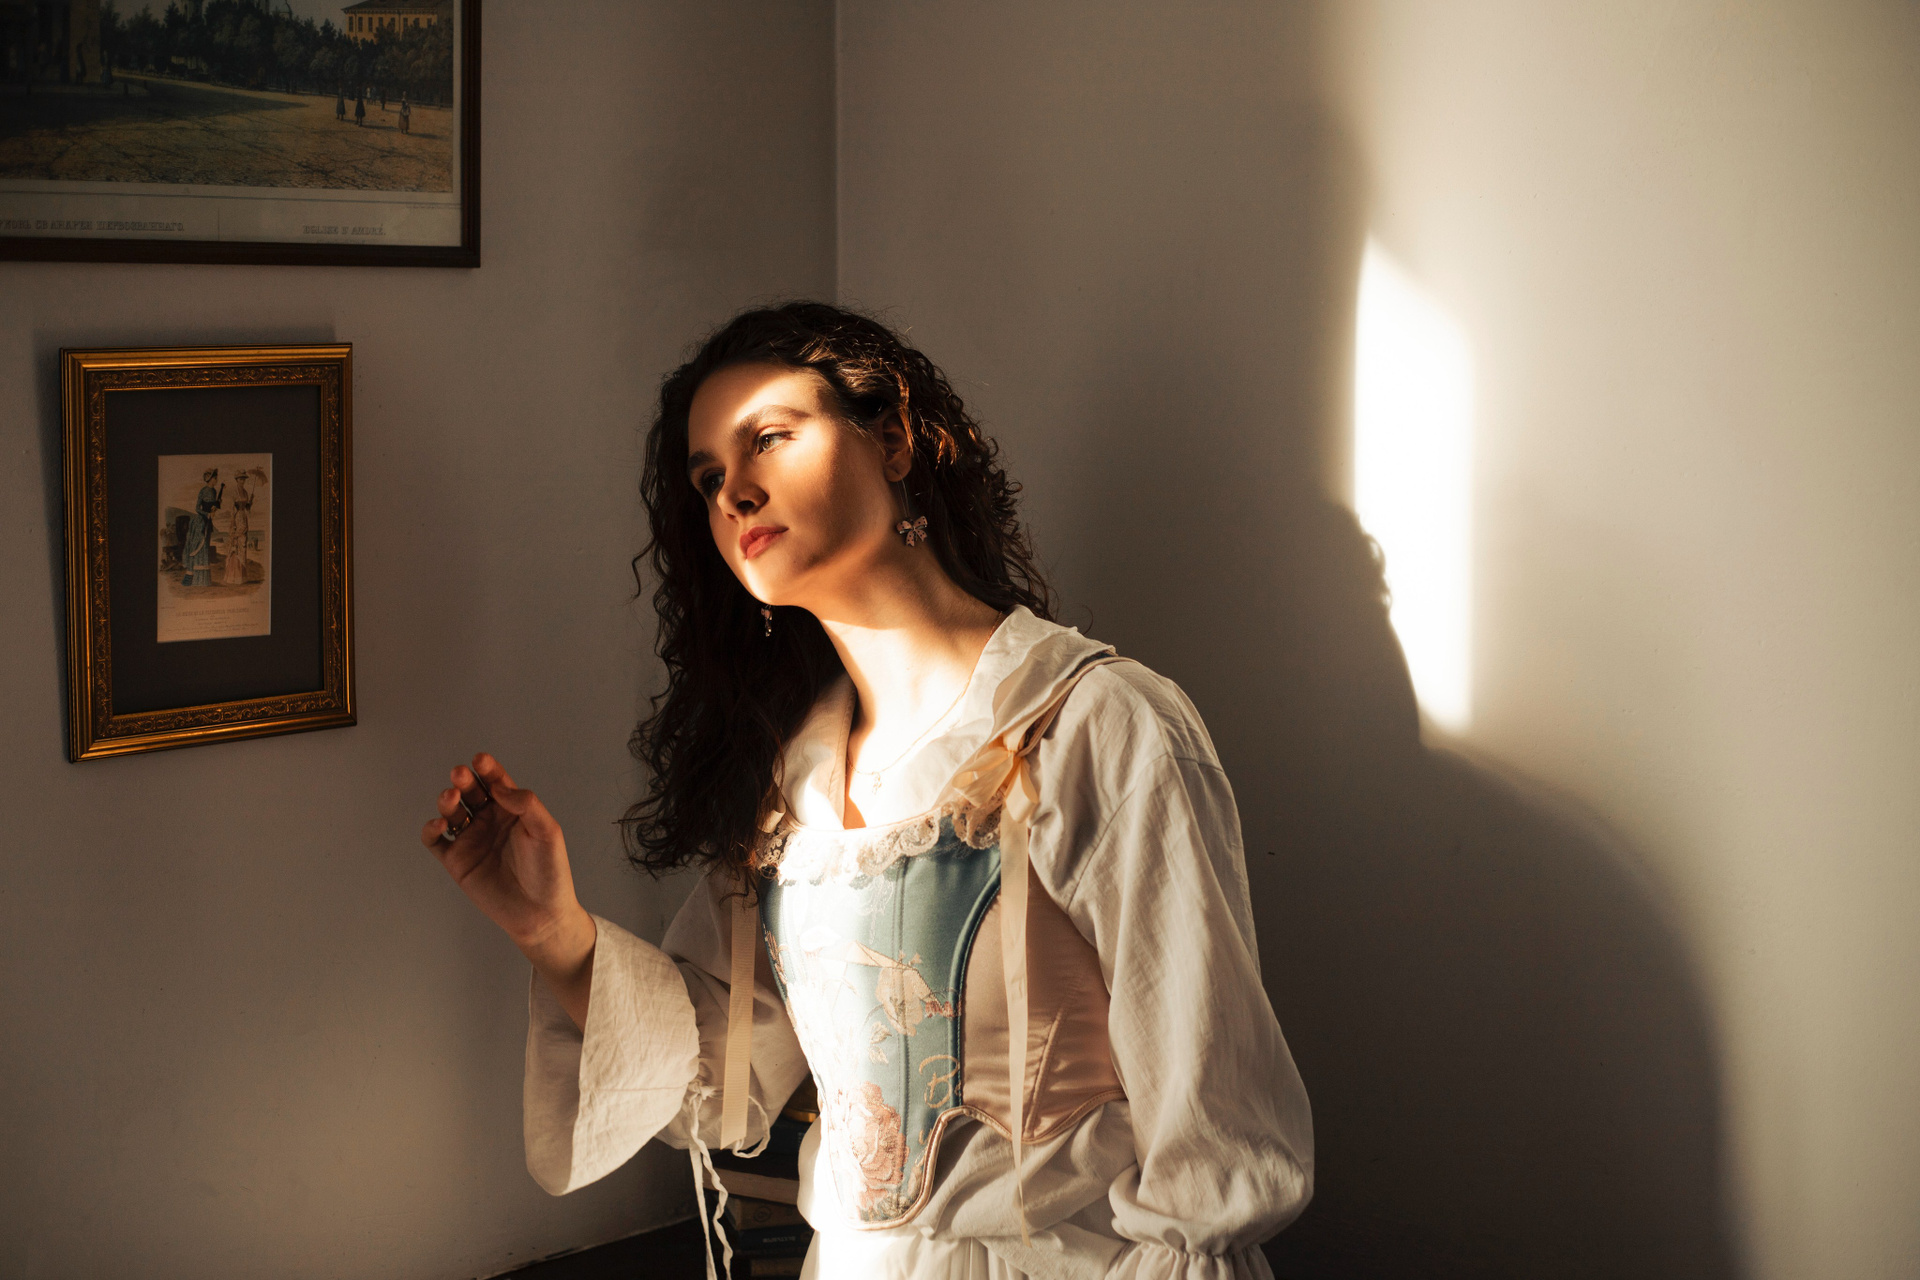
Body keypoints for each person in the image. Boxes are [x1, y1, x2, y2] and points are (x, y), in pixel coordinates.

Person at [420, 303, 1313, 1280]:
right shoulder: (792, 786)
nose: (735, 492)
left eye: (769, 438)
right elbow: (719, 1081)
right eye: (709, 477)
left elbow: (1213, 1141)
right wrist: (552, 928)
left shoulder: (1092, 723)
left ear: (893, 439)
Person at [182, 468, 221, 588]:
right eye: (215, 478)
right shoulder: (203, 491)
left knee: (205, 549)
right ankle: (193, 579)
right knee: (199, 548)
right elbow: (197, 508)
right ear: (210, 479)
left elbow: (213, 507)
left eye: (216, 477)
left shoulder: (214, 491)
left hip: (208, 523)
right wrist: (207, 514)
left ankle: (203, 580)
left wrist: (216, 506)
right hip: (200, 523)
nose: (216, 480)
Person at [221, 471, 253, 585]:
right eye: (240, 479)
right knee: (235, 544)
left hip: (243, 518)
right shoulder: (234, 492)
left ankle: (241, 577)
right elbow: (232, 509)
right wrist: (233, 524)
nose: (242, 481)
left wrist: (250, 502)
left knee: (242, 544)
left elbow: (247, 508)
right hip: (237, 517)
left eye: (243, 479)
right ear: (237, 480)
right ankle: (233, 576)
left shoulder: (245, 492)